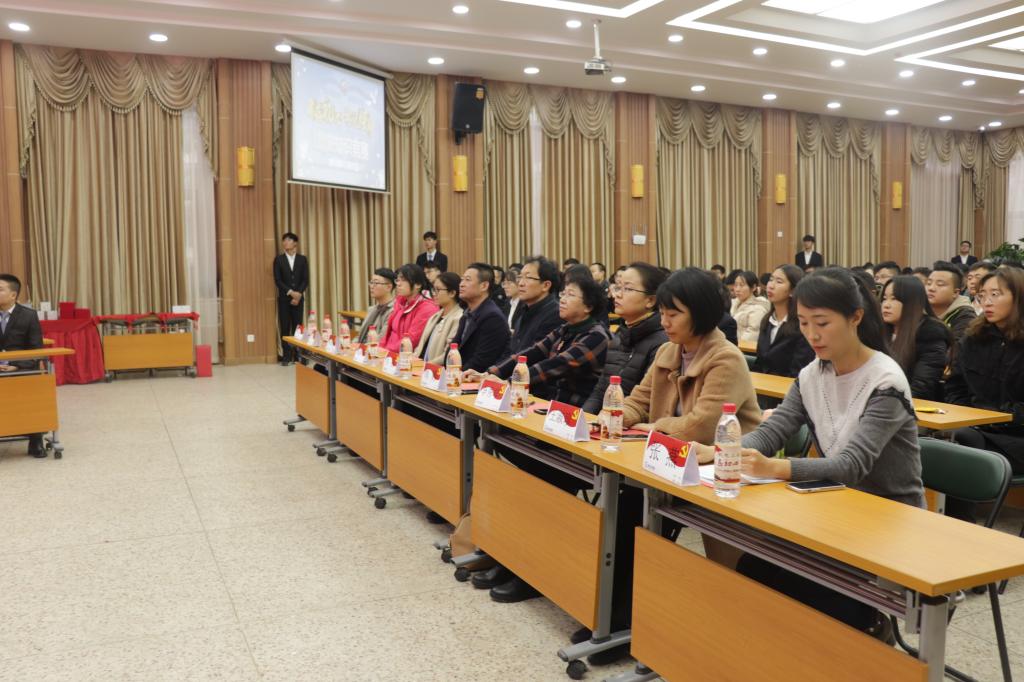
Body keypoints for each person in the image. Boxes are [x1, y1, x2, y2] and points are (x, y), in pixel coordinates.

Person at [727, 267, 923, 640]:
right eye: (803, 323)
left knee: (813, 590)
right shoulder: (812, 374)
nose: (812, 335)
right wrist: (723, 451)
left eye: (822, 323)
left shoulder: (886, 381)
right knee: (755, 567)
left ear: (855, 317)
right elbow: (773, 430)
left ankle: (868, 634)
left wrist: (775, 467)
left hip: (888, 515)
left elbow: (852, 465)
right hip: (835, 505)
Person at [621, 267, 761, 442]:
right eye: (662, 313)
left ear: (700, 314)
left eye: (672, 315)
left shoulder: (726, 359)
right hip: (670, 451)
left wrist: (657, 427)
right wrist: (617, 416)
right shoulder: (666, 351)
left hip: (723, 455)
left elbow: (702, 427)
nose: (664, 322)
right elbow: (639, 402)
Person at [476, 276, 610, 405]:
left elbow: (556, 365)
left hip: (578, 409)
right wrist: (490, 373)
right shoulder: (565, 329)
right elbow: (534, 352)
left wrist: (512, 382)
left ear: (588, 306)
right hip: (553, 403)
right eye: (563, 294)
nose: (562, 300)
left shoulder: (596, 336)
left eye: (570, 295)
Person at [945, 267, 1024, 483]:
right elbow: (955, 387)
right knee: (941, 443)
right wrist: (968, 417)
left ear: (1018, 297)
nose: (986, 302)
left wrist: (995, 418)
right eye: (982, 295)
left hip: (1016, 436)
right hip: (976, 430)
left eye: (995, 294)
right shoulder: (974, 338)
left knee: (962, 447)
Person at [582, 262, 668, 413]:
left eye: (627, 289)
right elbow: (600, 391)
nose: (617, 295)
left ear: (650, 300)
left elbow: (646, 404)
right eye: (617, 287)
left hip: (631, 420)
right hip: (605, 420)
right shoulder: (619, 335)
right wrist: (583, 419)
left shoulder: (663, 343)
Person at [880, 276, 950, 400]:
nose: (886, 305)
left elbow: (922, 386)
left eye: (894, 299)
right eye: (884, 299)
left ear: (912, 302)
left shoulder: (930, 334)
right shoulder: (880, 331)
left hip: (910, 405)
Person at [0, 273, 46, 457]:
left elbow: (37, 350)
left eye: (0, 289)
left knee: (33, 392)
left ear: (13, 295)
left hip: (21, 369)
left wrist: (17, 365)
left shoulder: (28, 315)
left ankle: (35, 439)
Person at [753, 265, 815, 379]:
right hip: (762, 384)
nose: (771, 285)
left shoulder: (802, 325)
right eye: (771, 279)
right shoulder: (767, 320)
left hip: (787, 387)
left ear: (793, 291)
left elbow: (798, 371)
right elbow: (760, 363)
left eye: (779, 282)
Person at [449, 263, 511, 371]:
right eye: (462, 280)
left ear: (484, 286)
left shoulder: (492, 317)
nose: (461, 284)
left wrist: (456, 374)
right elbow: (453, 348)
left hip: (476, 377)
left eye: (467, 280)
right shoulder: (466, 314)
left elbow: (482, 361)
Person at [926, 262, 976, 369]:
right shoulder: (919, 311)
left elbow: (955, 354)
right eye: (929, 283)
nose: (931, 288)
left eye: (940, 284)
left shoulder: (966, 316)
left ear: (955, 292)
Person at [508, 257, 562, 356]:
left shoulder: (555, 315)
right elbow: (511, 351)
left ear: (546, 285)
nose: (520, 283)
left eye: (528, 278)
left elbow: (534, 356)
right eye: (520, 277)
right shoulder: (524, 310)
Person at [381, 264, 439, 353]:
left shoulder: (427, 308)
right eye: (397, 280)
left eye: (403, 280)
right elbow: (388, 334)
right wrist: (380, 348)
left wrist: (385, 351)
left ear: (418, 285)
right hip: (389, 353)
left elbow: (411, 341)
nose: (398, 284)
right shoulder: (400, 302)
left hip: (405, 356)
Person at [273, 232, 309, 365]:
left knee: (298, 327)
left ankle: (298, 355)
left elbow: (305, 279)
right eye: (284, 240)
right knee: (285, 327)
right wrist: (291, 293)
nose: (285, 242)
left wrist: (298, 294)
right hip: (284, 299)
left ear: (295, 243)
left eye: (288, 240)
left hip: (298, 299)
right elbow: (278, 280)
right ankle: (287, 356)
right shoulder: (279, 260)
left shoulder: (302, 259)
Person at [416, 271, 464, 365]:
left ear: (452, 293)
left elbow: (448, 354)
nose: (434, 293)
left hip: (438, 370)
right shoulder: (435, 316)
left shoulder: (459, 318)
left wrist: (425, 366)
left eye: (438, 290)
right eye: (433, 289)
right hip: (423, 367)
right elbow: (421, 347)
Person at [727, 270, 770, 345]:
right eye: (736, 285)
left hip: (743, 347)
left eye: (741, 285)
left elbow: (752, 334)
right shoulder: (733, 302)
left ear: (753, 287)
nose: (737, 289)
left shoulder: (758, 308)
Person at [356, 268, 397, 344]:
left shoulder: (394, 310)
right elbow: (360, 337)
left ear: (389, 287)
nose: (371, 286)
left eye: (376, 283)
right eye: (371, 282)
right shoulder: (372, 309)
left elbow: (381, 340)